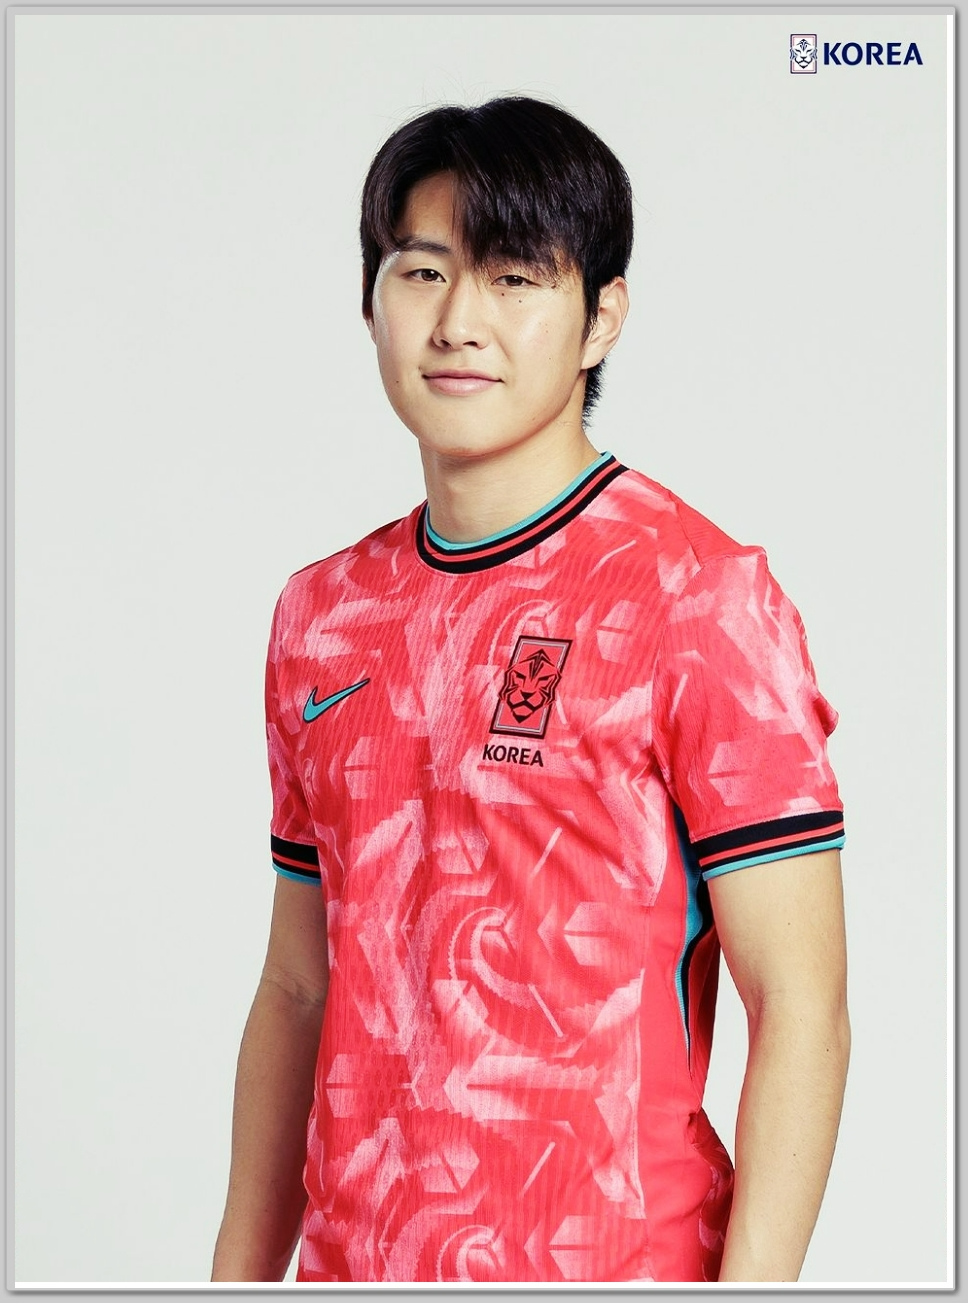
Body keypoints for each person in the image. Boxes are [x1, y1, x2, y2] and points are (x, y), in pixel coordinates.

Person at [211, 96, 849, 1284]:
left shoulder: (696, 596)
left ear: (600, 316)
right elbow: (297, 987)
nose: (458, 322)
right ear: (370, 301)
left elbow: (798, 1004)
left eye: (513, 278)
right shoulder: (320, 615)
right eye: (421, 272)